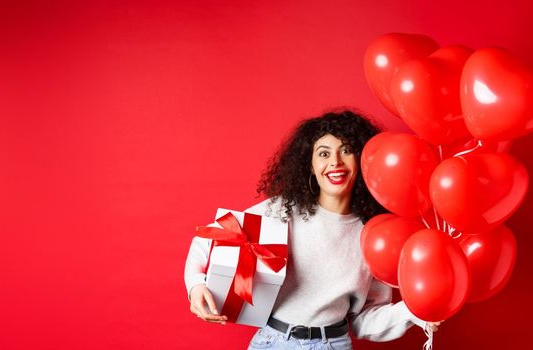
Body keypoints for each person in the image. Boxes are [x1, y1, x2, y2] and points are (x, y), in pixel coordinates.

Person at [183, 109, 439, 349]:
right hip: (272, 341)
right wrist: (196, 285)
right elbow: (210, 237)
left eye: (346, 150)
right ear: (310, 165)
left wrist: (413, 312)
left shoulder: (375, 234)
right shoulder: (282, 210)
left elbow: (364, 320)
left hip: (332, 344)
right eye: (324, 153)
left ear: (362, 160)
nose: (335, 162)